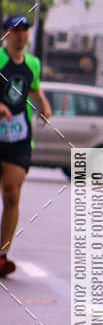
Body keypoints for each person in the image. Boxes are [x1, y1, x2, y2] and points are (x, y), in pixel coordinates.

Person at [0, 15, 52, 277]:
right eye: (16, 30)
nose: (21, 34)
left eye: (25, 30)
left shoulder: (33, 63)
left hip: (18, 138)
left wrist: (43, 101)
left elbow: (34, 88)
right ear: (6, 33)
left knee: (12, 194)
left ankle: (2, 255)